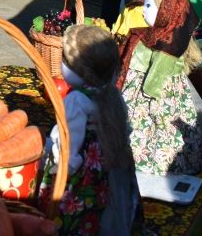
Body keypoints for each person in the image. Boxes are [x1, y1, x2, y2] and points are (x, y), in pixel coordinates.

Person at [39, 24, 138, 236]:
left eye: (65, 59)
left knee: (76, 208)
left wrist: (63, 166)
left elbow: (70, 141)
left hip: (82, 168)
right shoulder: (111, 94)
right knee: (102, 204)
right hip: (107, 165)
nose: (61, 63)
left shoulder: (76, 100)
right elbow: (124, 127)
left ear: (80, 69)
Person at [120, 0, 202, 175]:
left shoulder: (168, 47)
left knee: (152, 133)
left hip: (153, 97)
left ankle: (151, 161)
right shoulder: (150, 35)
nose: (143, 10)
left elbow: (153, 84)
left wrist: (151, 108)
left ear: (167, 11)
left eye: (149, 6)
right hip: (137, 85)